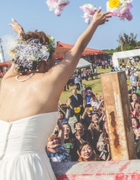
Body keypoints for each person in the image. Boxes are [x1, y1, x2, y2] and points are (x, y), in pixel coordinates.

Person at [0, 11, 111, 179]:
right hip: (29, 167)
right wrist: (94, 24)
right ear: (46, 60)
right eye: (54, 56)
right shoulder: (48, 81)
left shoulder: (7, 81)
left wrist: (22, 37)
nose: (56, 59)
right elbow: (77, 50)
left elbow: (19, 61)